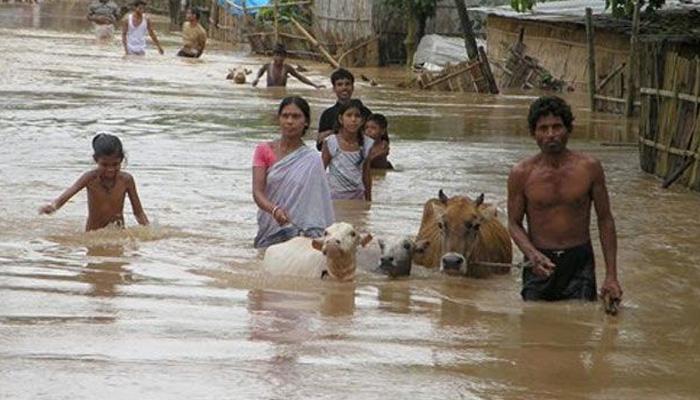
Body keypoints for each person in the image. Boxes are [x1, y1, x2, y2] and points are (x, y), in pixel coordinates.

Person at [507, 96, 622, 302]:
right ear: (534, 133)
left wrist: (611, 276)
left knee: (581, 325)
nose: (551, 134)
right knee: (534, 324)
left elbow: (605, 219)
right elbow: (514, 224)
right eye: (543, 128)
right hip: (538, 261)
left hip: (579, 262)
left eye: (557, 127)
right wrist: (531, 254)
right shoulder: (521, 174)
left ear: (568, 129)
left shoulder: (589, 168)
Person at [252, 96, 334, 248]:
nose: (290, 121)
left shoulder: (313, 160)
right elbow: (257, 192)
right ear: (279, 119)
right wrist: (274, 210)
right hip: (270, 228)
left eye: (296, 116)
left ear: (306, 122)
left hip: (302, 234)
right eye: (285, 116)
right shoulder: (263, 150)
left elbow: (319, 204)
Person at [39, 133, 150, 231]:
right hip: (93, 234)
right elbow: (70, 192)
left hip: (118, 233)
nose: (110, 169)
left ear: (121, 160)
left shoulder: (126, 180)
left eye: (115, 164)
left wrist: (149, 231)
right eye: (105, 165)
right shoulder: (90, 178)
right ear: (96, 160)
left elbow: (138, 212)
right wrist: (54, 206)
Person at [321, 99, 388, 201]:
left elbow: (366, 174)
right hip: (335, 196)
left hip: (358, 195)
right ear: (340, 119)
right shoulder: (331, 142)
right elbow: (321, 171)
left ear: (362, 120)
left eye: (357, 116)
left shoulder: (367, 143)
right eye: (349, 115)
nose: (353, 119)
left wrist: (369, 200)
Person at [316, 68, 371, 150]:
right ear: (334, 89)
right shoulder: (328, 114)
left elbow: (376, 137)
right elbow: (319, 144)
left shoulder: (365, 112)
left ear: (353, 87)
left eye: (347, 84)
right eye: (340, 84)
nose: (344, 88)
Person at [251, 44, 324, 89]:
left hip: (282, 94)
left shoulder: (287, 68)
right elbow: (260, 71)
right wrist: (257, 78)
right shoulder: (268, 66)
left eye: (281, 56)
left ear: (285, 57)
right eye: (277, 56)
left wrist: (315, 85)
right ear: (273, 56)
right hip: (269, 94)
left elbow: (300, 77)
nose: (279, 58)